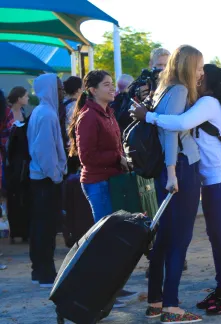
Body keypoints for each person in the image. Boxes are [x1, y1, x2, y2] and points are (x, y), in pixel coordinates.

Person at [132, 63, 221, 319]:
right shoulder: (198, 100)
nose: (199, 76)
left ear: (209, 83)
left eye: (203, 75)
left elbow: (180, 122)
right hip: (211, 178)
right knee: (216, 236)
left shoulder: (209, 103)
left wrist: (147, 116)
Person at [140, 45, 204, 323]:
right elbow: (170, 131)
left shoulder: (163, 88)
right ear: (189, 66)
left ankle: (156, 301)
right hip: (179, 168)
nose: (202, 73)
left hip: (169, 170)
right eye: (199, 67)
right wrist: (173, 173)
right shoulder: (178, 90)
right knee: (180, 239)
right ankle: (172, 307)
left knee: (165, 238)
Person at [67, 70, 136, 307]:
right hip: (97, 182)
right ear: (93, 90)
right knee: (104, 241)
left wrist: (121, 157)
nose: (111, 88)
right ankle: (101, 292)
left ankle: (113, 287)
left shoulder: (108, 113)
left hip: (111, 180)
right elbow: (86, 157)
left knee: (112, 239)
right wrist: (118, 159)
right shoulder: (88, 117)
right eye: (106, 85)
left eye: (111, 84)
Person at [27, 73, 67, 288]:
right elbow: (45, 151)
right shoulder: (46, 115)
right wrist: (56, 175)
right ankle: (45, 273)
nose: (62, 92)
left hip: (43, 178)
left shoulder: (42, 111)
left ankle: (39, 270)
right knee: (46, 227)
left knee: (42, 226)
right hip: (46, 179)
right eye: (59, 88)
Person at [5, 87, 30, 244]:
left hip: (22, 161)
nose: (28, 99)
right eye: (26, 96)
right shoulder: (7, 113)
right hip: (11, 161)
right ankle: (15, 230)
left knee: (23, 195)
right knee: (13, 195)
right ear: (19, 98)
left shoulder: (24, 114)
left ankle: (23, 229)